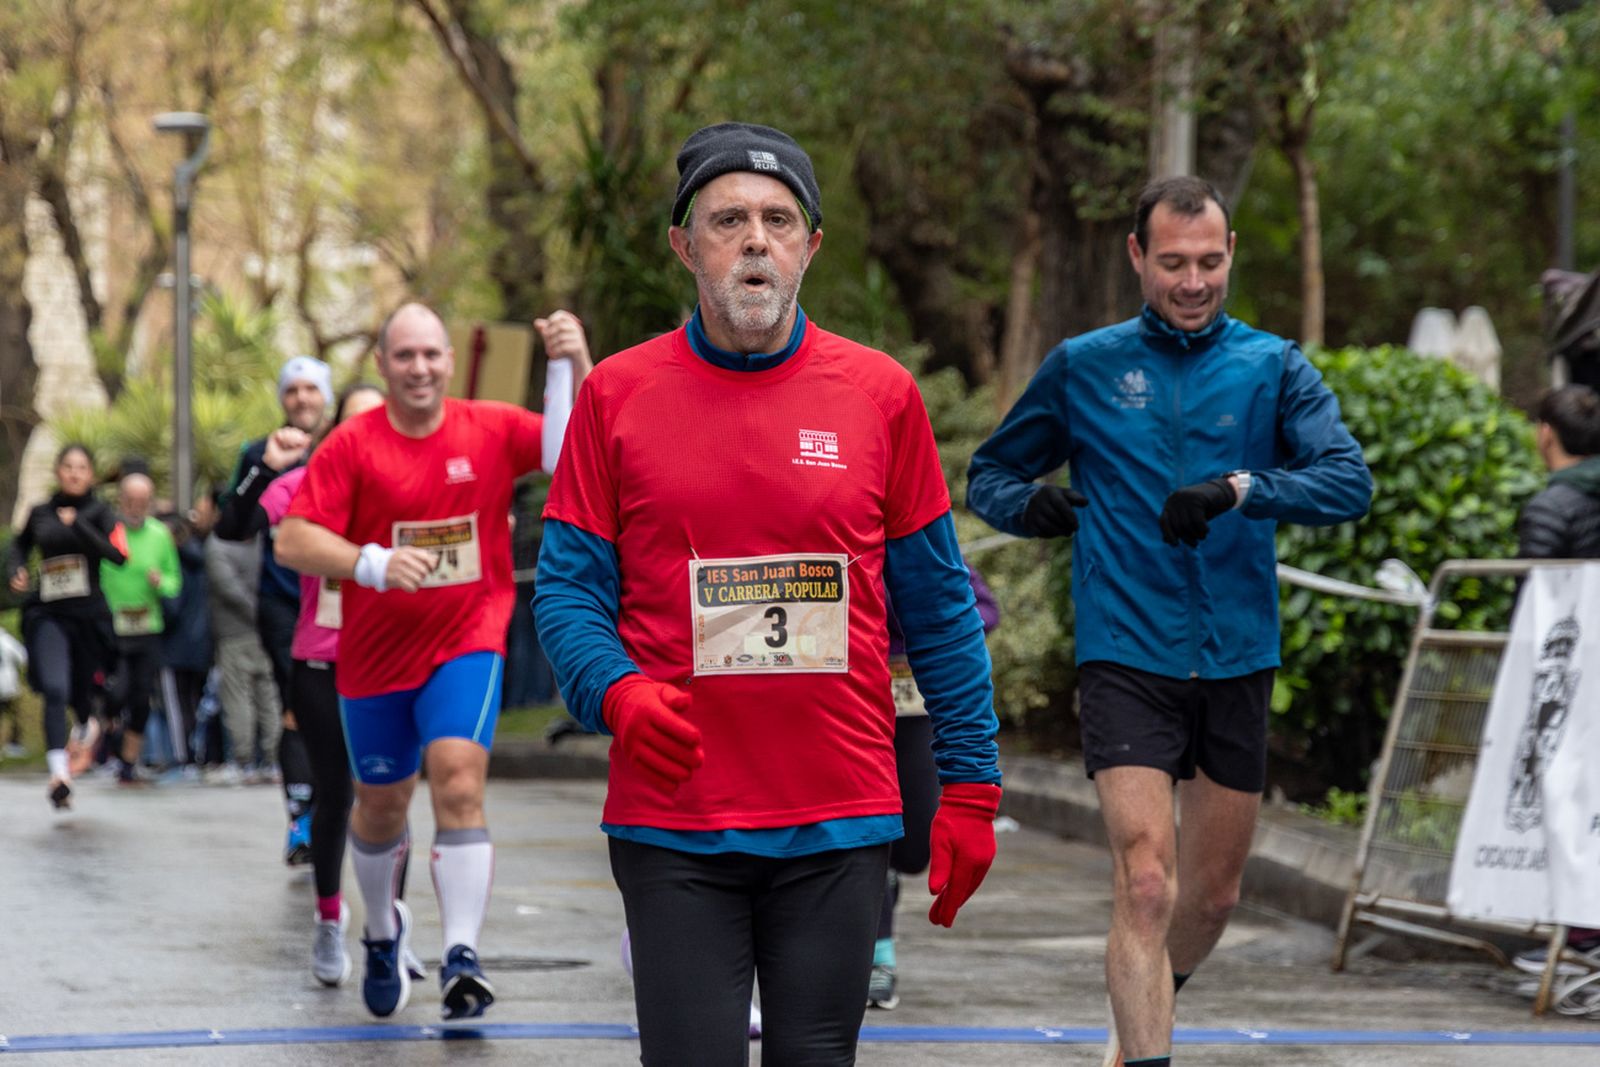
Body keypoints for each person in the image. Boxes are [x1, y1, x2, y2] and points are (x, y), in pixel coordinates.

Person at [534, 121, 1003, 1066]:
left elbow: (942, 606)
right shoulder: (616, 397)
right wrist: (616, 692)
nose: (756, 239)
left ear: (811, 246)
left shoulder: (879, 395)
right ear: (685, 245)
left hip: (839, 815)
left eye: (779, 219)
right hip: (676, 819)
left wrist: (973, 784)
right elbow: (567, 592)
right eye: (729, 219)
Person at [966, 175, 1372, 1067]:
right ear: (1137, 256)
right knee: (1147, 878)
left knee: (1213, 895)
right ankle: (1146, 1051)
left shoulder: (1273, 367)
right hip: (1126, 648)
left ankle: (1141, 1004)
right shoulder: (1087, 364)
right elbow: (989, 475)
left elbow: (1349, 481)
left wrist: (1243, 488)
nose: (1194, 282)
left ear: (1230, 255)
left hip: (1236, 652)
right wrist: (1042, 510)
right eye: (1175, 263)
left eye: (1211, 262)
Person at [275, 302, 589, 1020]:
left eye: (431, 354)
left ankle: (462, 956)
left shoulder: (487, 427)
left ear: (450, 360)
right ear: (382, 364)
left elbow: (571, 451)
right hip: (375, 655)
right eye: (405, 355)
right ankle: (383, 934)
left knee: (458, 779)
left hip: (467, 636)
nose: (419, 367)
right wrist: (370, 562)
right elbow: (293, 540)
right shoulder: (353, 444)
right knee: (380, 804)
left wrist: (573, 363)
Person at [257, 383, 404, 985]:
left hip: (395, 658)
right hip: (323, 659)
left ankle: (388, 929)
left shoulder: (410, 481)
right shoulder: (305, 484)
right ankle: (327, 919)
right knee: (336, 794)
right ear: (338, 430)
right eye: (357, 423)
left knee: (390, 795)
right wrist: (260, 469)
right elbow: (240, 524)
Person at [215, 356, 332, 858]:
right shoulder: (259, 451)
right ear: (282, 398)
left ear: (326, 397)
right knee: (298, 706)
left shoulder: (348, 443)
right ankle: (301, 821)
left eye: (312, 389)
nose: (302, 399)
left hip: (349, 599)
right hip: (285, 602)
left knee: (342, 708)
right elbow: (231, 525)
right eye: (293, 390)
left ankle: (338, 808)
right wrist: (266, 468)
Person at [870, 563, 1000, 1012]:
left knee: (913, 847)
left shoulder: (926, 546)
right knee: (871, 830)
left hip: (913, 708)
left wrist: (925, 627)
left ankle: (885, 884)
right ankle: (877, 959)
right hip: (852, 704)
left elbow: (982, 611)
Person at [1511, 382, 1600, 976]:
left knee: (1571, 796)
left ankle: (1583, 935)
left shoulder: (1551, 505)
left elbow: (1534, 596)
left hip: (1571, 681)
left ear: (1546, 432)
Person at [5, 444, 126, 808]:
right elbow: (19, 546)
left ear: (90, 474)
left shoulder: (101, 511)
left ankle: (87, 720)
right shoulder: (41, 511)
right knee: (55, 688)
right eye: (68, 467)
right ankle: (59, 773)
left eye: (81, 468)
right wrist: (17, 570)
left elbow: (117, 555)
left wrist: (82, 525)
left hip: (88, 616)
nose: (74, 473)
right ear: (58, 471)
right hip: (49, 613)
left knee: (81, 692)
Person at [99, 472, 182, 782]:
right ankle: (110, 734)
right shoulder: (109, 532)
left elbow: (175, 582)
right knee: (116, 692)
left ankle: (128, 762)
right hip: (114, 627)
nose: (135, 507)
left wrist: (162, 583)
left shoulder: (160, 534)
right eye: (130, 501)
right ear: (121, 500)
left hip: (148, 626)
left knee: (141, 696)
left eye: (142, 502)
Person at [205, 500, 284, 793]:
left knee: (240, 697)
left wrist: (259, 614)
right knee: (268, 695)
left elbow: (228, 588)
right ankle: (272, 761)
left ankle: (245, 760)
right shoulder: (262, 540)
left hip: (236, 634)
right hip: (265, 631)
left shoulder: (219, 544)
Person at [161, 494, 217, 771]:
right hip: (202, 641)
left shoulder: (172, 564)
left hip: (175, 643)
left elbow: (172, 607)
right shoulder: (203, 557)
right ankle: (202, 756)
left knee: (177, 704)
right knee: (197, 702)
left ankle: (184, 758)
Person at [0, 626, 29, 759]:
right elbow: (23, 657)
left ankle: (14, 744)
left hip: (7, 686)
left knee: (12, 716)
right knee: (14, 716)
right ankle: (15, 743)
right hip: (8, 685)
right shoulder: (6, 640)